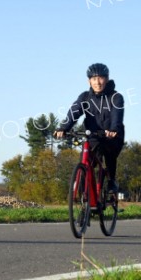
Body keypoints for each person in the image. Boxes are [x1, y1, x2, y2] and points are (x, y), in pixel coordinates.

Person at [54, 63, 125, 192]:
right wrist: (64, 128)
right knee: (87, 160)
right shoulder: (85, 97)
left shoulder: (116, 97)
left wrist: (114, 129)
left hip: (111, 135)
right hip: (92, 135)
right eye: (93, 79)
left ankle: (111, 181)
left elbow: (117, 115)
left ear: (107, 79)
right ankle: (85, 197)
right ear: (89, 81)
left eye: (101, 78)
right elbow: (74, 113)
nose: (97, 82)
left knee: (109, 155)